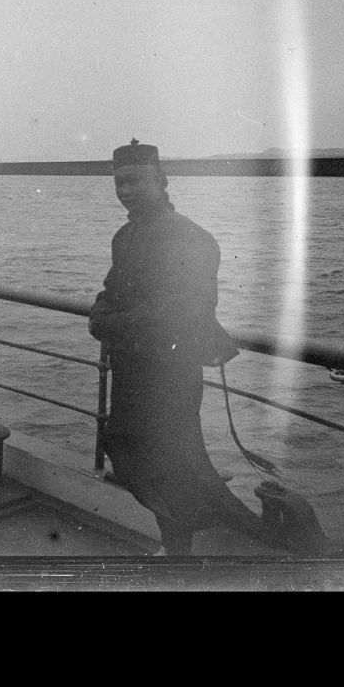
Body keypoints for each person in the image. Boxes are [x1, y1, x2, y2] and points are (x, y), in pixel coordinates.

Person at [88, 139, 284, 556]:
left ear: (161, 180)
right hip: (132, 370)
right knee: (136, 458)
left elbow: (180, 313)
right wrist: (110, 316)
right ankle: (182, 547)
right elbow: (109, 297)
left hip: (169, 375)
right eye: (119, 182)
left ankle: (205, 550)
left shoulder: (190, 239)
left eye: (135, 181)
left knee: (174, 466)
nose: (125, 190)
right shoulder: (125, 237)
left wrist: (112, 321)